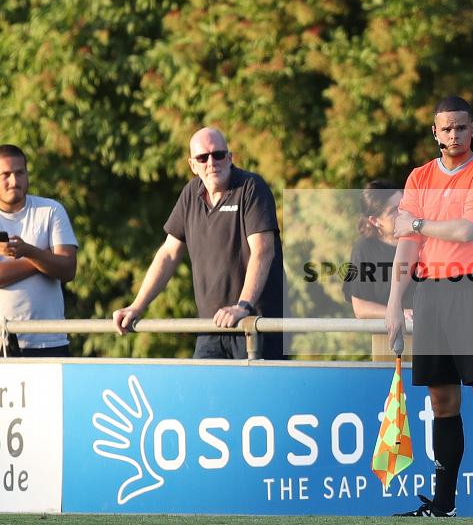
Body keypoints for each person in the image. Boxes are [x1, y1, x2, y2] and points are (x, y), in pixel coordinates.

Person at [385, 96, 473, 518]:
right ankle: (443, 505)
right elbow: (407, 245)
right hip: (429, 295)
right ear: (435, 132)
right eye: (446, 128)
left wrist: (416, 223)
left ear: (472, 130)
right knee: (441, 402)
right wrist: (394, 303)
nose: (454, 135)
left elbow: (465, 230)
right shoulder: (419, 177)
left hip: (472, 291)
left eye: (461, 127)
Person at [113, 127, 285, 359]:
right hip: (210, 329)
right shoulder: (190, 194)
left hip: (254, 327)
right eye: (203, 158)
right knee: (204, 395)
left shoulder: (251, 188)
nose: (211, 162)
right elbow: (168, 254)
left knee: (258, 396)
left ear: (230, 157)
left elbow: (263, 252)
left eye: (219, 154)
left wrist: (242, 306)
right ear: (192, 165)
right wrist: (137, 306)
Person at [0, 144, 77, 356]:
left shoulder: (51, 210)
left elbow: (68, 270)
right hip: (2, 344)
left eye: (19, 173)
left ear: (27, 174)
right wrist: (42, 258)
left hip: (49, 341)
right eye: (5, 174)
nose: (14, 181)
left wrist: (30, 251)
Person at [342, 179, 414, 360]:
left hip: (435, 338)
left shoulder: (423, 236)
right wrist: (399, 312)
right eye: (393, 211)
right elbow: (360, 308)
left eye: (403, 206)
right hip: (388, 342)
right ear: (375, 221)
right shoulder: (364, 249)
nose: (402, 214)